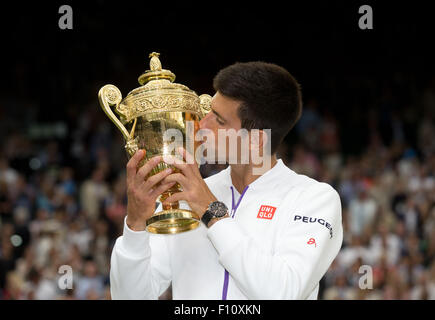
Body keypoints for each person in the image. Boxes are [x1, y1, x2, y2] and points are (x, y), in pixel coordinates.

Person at [110, 61, 343, 299]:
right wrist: (136, 226)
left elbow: (283, 292)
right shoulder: (184, 195)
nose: (201, 124)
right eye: (208, 110)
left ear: (255, 140)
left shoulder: (314, 199)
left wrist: (211, 210)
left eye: (219, 120)